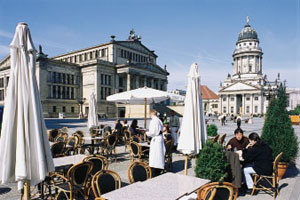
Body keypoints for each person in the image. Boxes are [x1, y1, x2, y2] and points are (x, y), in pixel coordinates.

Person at [146, 109, 165, 177]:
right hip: (159, 138)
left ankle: (155, 171)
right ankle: (158, 169)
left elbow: (152, 132)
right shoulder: (159, 120)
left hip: (156, 139)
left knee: (155, 156)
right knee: (159, 155)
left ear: (151, 114)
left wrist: (146, 133)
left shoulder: (153, 121)